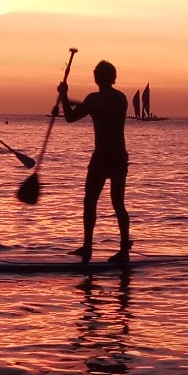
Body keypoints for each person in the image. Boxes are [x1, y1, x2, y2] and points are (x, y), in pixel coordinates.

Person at [58, 59, 131, 260]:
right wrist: (65, 97)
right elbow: (70, 118)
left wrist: (69, 99)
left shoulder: (119, 99)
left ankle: (124, 249)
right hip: (99, 157)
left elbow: (101, 110)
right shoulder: (92, 99)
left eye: (101, 75)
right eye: (97, 75)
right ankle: (87, 246)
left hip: (116, 156)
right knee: (89, 201)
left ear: (109, 78)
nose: (98, 78)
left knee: (118, 203)